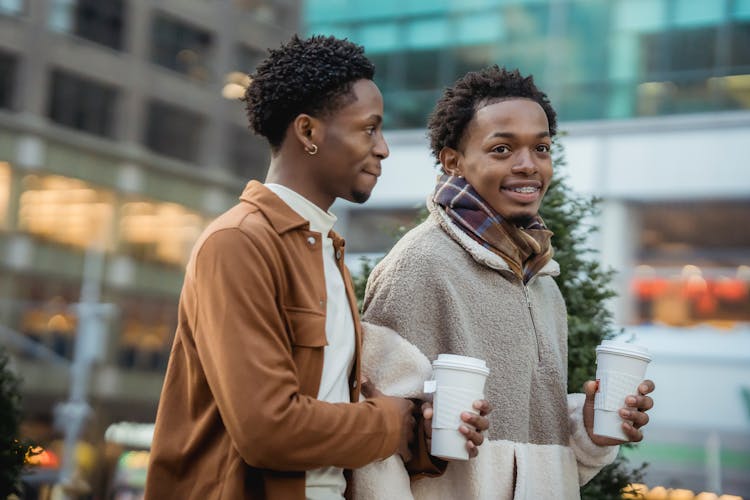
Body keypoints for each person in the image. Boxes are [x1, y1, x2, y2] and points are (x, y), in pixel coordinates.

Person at [144, 35, 489, 500]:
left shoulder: (324, 246)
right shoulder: (238, 243)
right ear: (308, 132)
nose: (383, 148)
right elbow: (267, 429)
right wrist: (389, 422)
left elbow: (332, 410)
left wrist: (423, 432)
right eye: (369, 129)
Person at [356, 66, 655, 499]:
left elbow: (543, 454)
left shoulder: (541, 281)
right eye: (501, 149)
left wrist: (593, 430)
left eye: (542, 148)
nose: (528, 165)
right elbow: (377, 455)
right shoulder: (420, 265)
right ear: (453, 161)